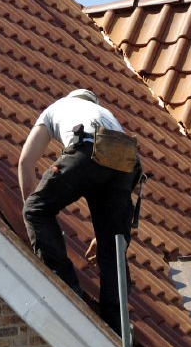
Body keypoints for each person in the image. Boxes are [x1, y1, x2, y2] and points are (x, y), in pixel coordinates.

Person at [19, 89, 138, 330]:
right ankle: (117, 326)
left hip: (87, 150)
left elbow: (25, 161)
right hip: (125, 164)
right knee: (112, 245)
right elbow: (111, 172)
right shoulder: (106, 113)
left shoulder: (55, 108)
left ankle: (67, 289)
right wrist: (104, 230)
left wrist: (30, 209)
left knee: (35, 210)